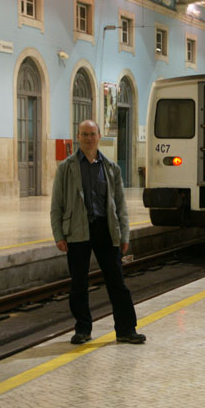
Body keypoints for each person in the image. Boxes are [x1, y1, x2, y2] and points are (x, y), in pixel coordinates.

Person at [50, 119, 146, 345]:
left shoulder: (112, 168)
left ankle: (126, 330)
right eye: (84, 134)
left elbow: (120, 205)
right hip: (76, 230)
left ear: (99, 136)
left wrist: (124, 235)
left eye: (92, 134)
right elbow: (57, 205)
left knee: (117, 282)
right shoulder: (66, 168)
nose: (88, 138)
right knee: (79, 284)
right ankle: (82, 329)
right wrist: (58, 235)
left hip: (106, 229)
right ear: (78, 137)